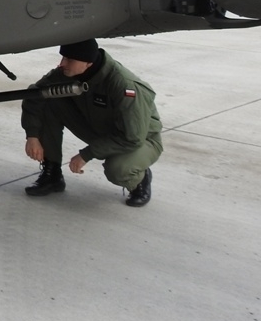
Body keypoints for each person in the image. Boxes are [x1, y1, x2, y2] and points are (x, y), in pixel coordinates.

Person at [21, 39, 163, 207]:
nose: (62, 64)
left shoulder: (123, 85)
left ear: (88, 62)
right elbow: (34, 95)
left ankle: (139, 179)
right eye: (63, 57)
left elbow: (132, 137)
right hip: (101, 128)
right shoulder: (67, 72)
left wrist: (86, 154)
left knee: (117, 169)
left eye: (69, 59)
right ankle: (52, 174)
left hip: (141, 139)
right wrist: (32, 136)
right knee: (49, 99)